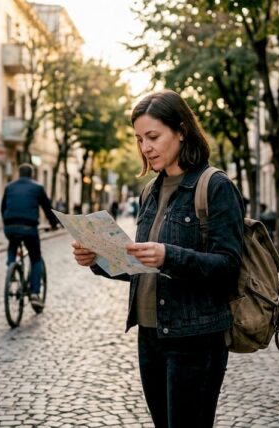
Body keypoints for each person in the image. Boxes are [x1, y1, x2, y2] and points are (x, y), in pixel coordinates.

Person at [72, 90, 244, 427]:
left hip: (195, 339)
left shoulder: (215, 186)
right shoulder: (150, 191)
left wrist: (169, 256)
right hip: (150, 336)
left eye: (153, 136)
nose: (145, 147)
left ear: (181, 130)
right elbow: (138, 268)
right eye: (139, 139)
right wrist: (97, 258)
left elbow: (228, 266)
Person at [1, 163, 59, 312]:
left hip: (10, 226)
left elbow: (3, 208)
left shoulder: (9, 186)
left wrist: (7, 223)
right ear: (32, 174)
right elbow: (47, 208)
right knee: (35, 258)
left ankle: (11, 266)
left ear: (18, 174)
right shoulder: (37, 187)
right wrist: (54, 224)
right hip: (29, 227)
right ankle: (34, 293)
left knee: (12, 243)